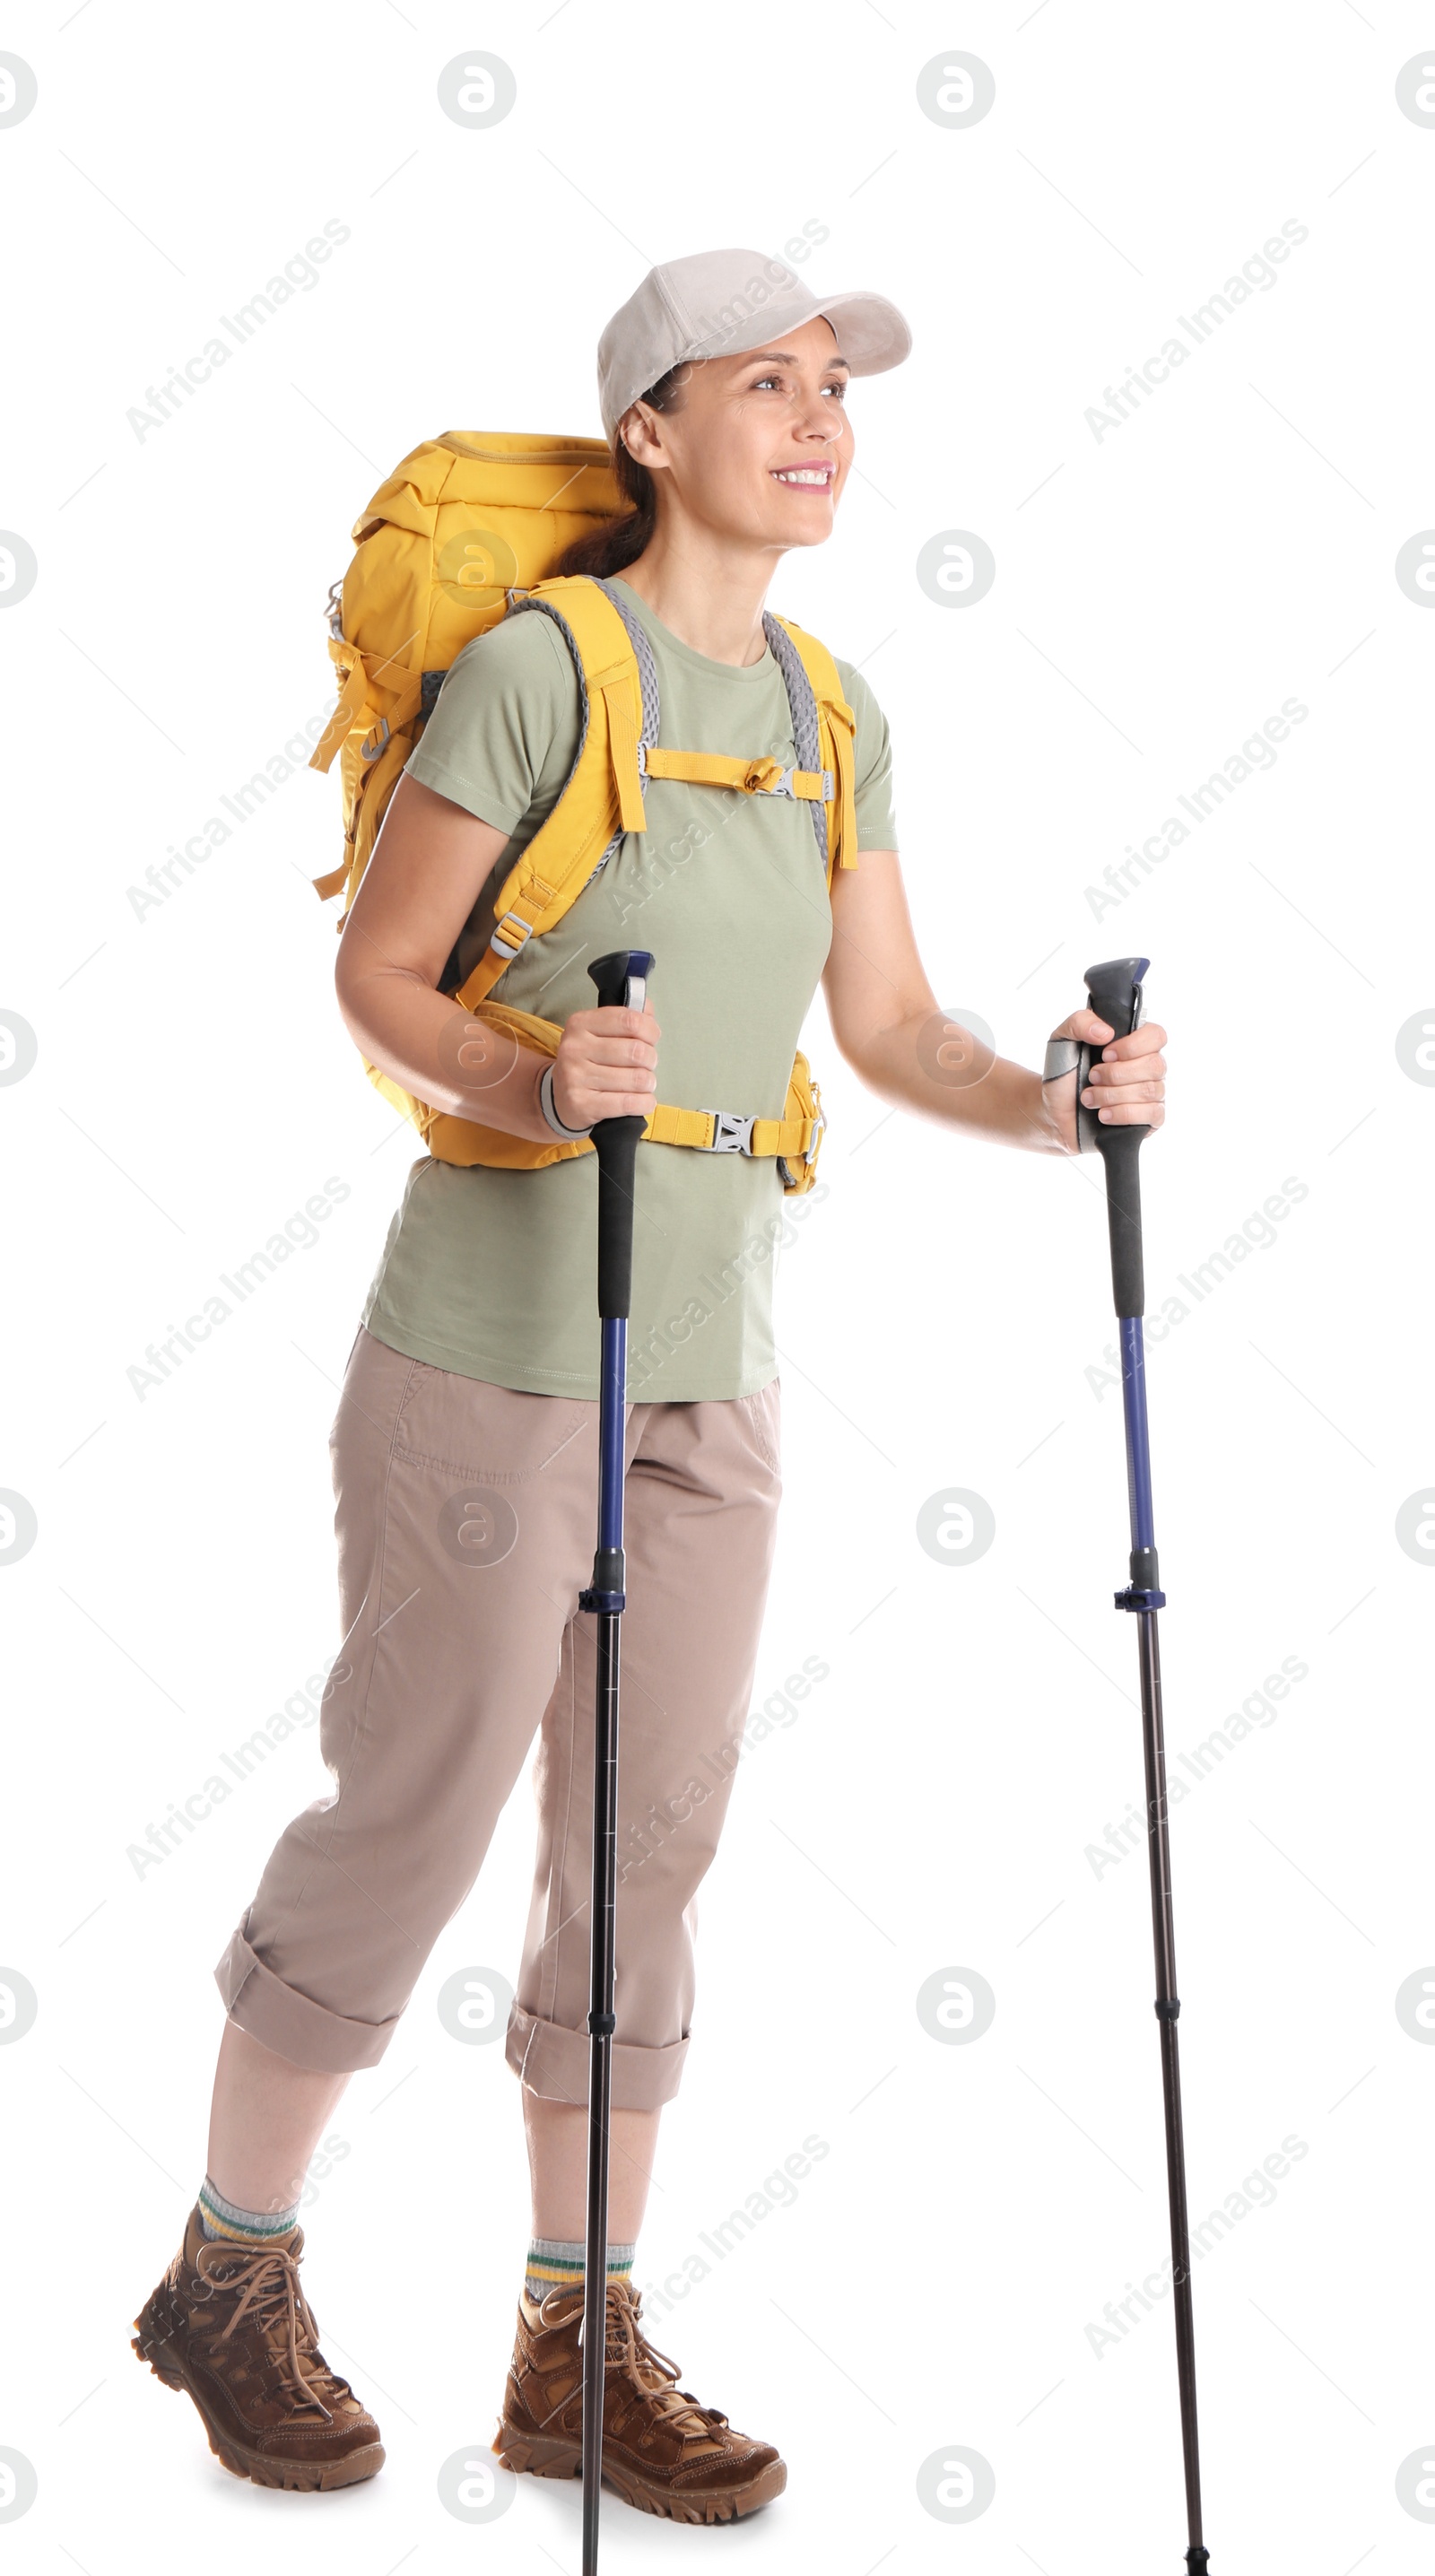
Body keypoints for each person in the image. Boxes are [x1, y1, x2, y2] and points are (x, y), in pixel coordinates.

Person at [132, 247, 1167, 2519]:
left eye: (834, 391)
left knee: (644, 1853)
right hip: (492, 1356)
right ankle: (228, 2273)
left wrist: (1054, 1099)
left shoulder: (828, 707)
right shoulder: (533, 669)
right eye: (765, 384)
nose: (817, 422)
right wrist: (530, 1075)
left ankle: (568, 2337)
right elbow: (380, 971)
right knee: (410, 1813)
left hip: (708, 1358)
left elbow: (887, 1036)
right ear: (647, 430)